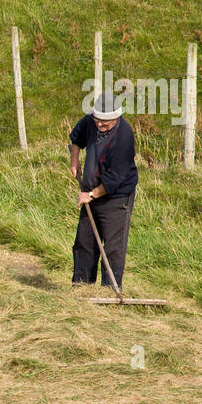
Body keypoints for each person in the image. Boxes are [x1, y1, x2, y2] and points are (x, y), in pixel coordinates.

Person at [68, 93, 138, 287]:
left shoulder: (124, 137)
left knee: (113, 247)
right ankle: (81, 286)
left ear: (116, 118)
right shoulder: (92, 120)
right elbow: (77, 136)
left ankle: (110, 290)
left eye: (105, 123)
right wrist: (74, 160)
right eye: (97, 120)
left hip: (116, 197)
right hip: (91, 192)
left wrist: (90, 195)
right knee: (85, 242)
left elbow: (114, 180)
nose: (100, 125)